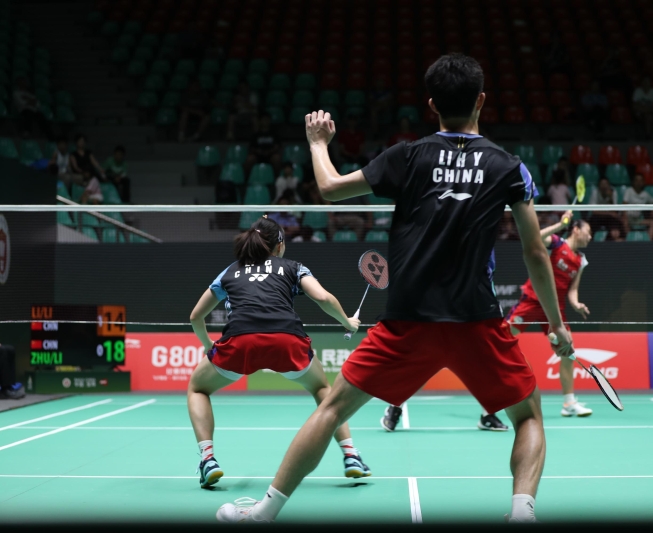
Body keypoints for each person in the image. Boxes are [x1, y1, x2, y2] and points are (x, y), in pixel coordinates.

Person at [215, 53, 572, 524]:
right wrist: (557, 324)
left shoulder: (408, 155)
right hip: (476, 321)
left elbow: (330, 188)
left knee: (331, 410)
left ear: (432, 105)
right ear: (481, 101)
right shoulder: (508, 167)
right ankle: (522, 514)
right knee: (527, 417)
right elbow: (535, 253)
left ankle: (263, 513)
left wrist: (318, 143)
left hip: (407, 322)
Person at [188, 215, 369, 490]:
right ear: (280, 245)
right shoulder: (294, 267)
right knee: (322, 389)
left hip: (240, 341)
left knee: (198, 388)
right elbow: (322, 297)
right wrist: (348, 322)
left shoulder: (230, 271)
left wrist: (207, 345)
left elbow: (195, 316)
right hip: (287, 340)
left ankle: (208, 460)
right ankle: (351, 456)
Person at [505, 213, 593, 418]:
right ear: (576, 230)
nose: (590, 237)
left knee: (568, 351)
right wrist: (560, 225)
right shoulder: (556, 243)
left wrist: (576, 304)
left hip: (554, 309)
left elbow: (572, 289)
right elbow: (535, 237)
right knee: (503, 338)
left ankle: (569, 403)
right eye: (588, 232)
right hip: (532, 300)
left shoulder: (580, 260)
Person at [245, 113, 282, 179]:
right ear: (260, 121)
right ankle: (247, 178)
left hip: (270, 155)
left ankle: (277, 178)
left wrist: (269, 152)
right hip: (258, 155)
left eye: (267, 120)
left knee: (276, 158)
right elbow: (251, 147)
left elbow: (277, 146)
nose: (265, 121)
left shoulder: (274, 133)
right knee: (250, 159)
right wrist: (258, 151)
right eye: (263, 120)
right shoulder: (256, 134)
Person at [622, 172, 653, 240]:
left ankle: (648, 242)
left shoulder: (645, 194)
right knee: (625, 222)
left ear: (643, 182)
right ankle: (629, 241)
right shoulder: (629, 191)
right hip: (628, 218)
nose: (639, 182)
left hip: (638, 219)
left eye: (641, 180)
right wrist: (625, 216)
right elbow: (624, 204)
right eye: (637, 180)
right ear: (633, 182)